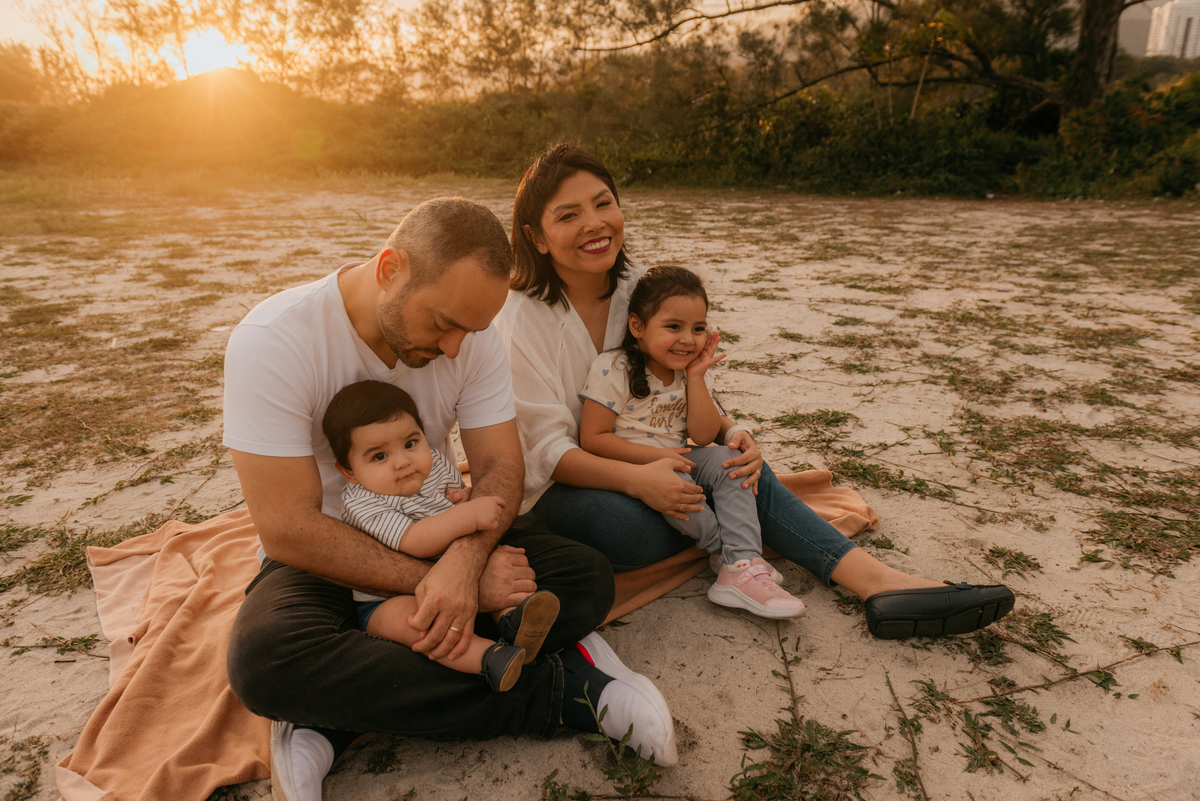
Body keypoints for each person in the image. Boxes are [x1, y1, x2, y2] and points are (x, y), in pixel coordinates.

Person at [223, 197, 678, 801]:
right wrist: (447, 584)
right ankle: (563, 694)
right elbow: (288, 528)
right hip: (326, 557)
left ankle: (338, 710)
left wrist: (464, 565)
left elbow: (499, 466)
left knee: (584, 578)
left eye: (473, 330)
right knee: (266, 661)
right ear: (390, 269)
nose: (457, 347)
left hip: (442, 525)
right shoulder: (274, 340)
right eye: (442, 324)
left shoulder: (471, 336)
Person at [496, 143, 1015, 641]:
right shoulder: (521, 318)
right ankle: (737, 543)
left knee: (737, 468)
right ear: (536, 237)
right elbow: (547, 452)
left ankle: (876, 582)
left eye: (603, 203)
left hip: (662, 458)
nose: (594, 223)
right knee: (630, 531)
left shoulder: (640, 288)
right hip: (568, 487)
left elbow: (681, 385)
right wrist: (638, 481)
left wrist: (732, 430)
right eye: (569, 215)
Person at [579, 265, 805, 619]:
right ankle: (725, 555)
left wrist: (697, 378)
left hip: (682, 454)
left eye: (698, 328)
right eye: (674, 327)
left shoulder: (689, 371)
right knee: (678, 481)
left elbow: (702, 435)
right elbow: (593, 439)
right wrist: (655, 459)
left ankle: (743, 560)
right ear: (637, 326)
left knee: (730, 461)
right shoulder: (615, 367)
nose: (688, 339)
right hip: (634, 465)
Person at [321, 379, 562, 692]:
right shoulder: (361, 503)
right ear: (349, 471)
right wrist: (466, 515)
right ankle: (489, 658)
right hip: (389, 595)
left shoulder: (435, 463)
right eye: (379, 457)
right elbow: (415, 541)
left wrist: (468, 496)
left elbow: (455, 497)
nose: (403, 461)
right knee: (414, 623)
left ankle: (514, 619)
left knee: (501, 563)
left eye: (410, 443)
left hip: (454, 567)